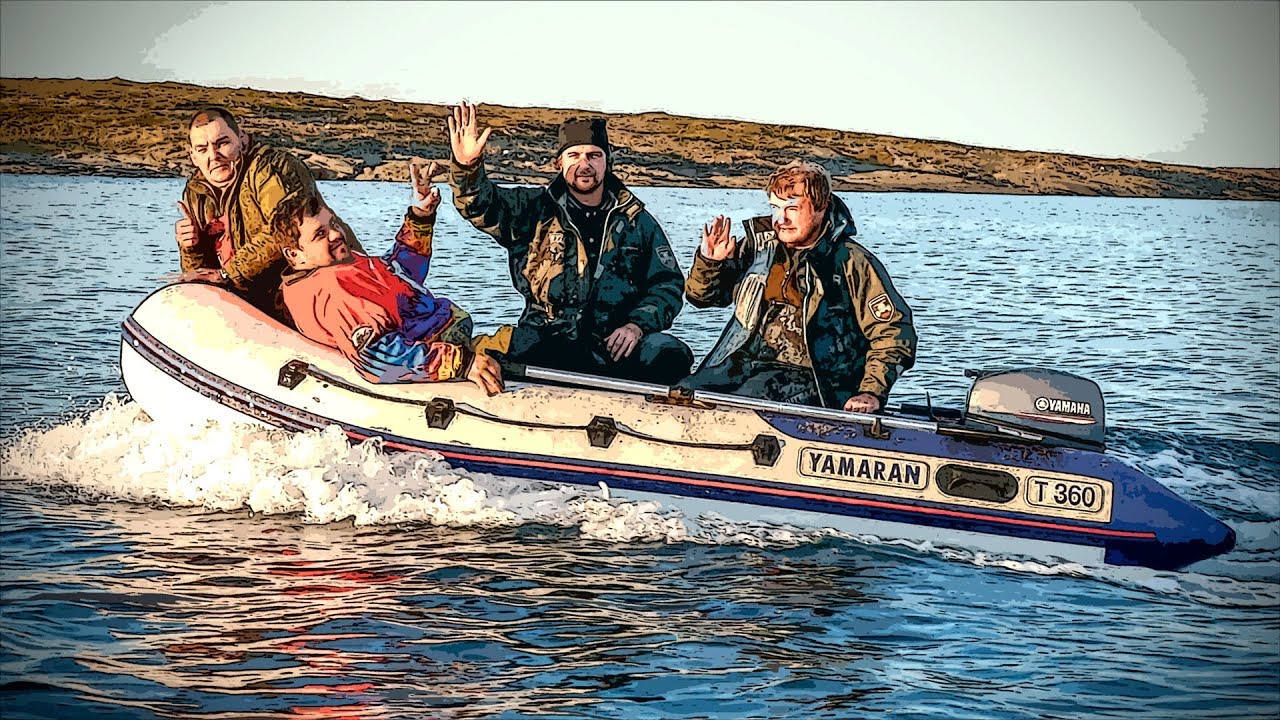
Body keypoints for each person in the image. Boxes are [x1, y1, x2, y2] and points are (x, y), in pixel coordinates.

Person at [445, 101, 693, 385]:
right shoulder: (531, 208)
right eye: (573, 155)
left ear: (607, 162)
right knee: (493, 355)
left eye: (594, 155)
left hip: (613, 343)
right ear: (558, 163)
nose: (584, 164)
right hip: (545, 336)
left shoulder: (638, 221)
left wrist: (636, 326)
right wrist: (468, 167)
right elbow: (479, 207)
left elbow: (668, 285)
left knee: (672, 354)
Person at [683, 160, 917, 413]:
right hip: (742, 364)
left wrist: (871, 392)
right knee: (682, 395)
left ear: (820, 207)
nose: (781, 218)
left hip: (816, 379)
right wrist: (710, 262)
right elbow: (702, 298)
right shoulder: (758, 248)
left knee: (747, 402)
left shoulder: (852, 262)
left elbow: (893, 332)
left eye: (793, 208)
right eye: (775, 207)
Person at [277, 161, 503, 395]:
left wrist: (419, 217)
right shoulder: (333, 292)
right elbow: (377, 357)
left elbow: (400, 275)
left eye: (333, 223)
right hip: (443, 348)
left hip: (448, 339)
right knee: (525, 346)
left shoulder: (340, 266)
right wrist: (461, 363)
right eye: (320, 234)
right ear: (294, 254)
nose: (336, 234)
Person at [174, 106, 362, 323]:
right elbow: (201, 273)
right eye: (202, 149)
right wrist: (191, 247)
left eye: (222, 143)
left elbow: (282, 234)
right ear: (193, 156)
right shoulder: (196, 193)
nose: (213, 157)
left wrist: (227, 275)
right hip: (251, 303)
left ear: (242, 140)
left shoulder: (273, 169)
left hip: (320, 291)